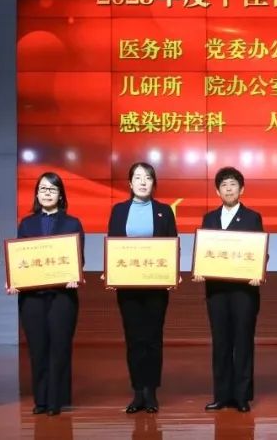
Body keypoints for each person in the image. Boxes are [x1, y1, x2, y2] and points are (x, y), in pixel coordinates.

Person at [106, 161, 179, 414]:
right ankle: (138, 391)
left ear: (154, 183)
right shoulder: (119, 211)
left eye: (148, 177)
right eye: (137, 177)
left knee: (153, 338)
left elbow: (172, 244)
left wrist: (172, 272)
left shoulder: (164, 211)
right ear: (130, 183)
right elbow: (113, 244)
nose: (143, 182)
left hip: (156, 286)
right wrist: (110, 271)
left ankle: (151, 391)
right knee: (134, 338)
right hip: (128, 286)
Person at [10, 172, 84, 416]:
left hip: (63, 296)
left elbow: (78, 258)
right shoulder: (26, 224)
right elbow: (19, 260)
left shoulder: (72, 223)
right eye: (42, 189)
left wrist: (74, 274)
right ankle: (40, 400)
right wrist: (16, 280)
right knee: (38, 348)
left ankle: (56, 400)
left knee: (59, 347)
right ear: (36, 194)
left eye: (52, 189)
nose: (47, 193)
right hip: (32, 297)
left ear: (60, 194)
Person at [196, 166, 265, 412]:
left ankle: (242, 396)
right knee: (221, 342)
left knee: (243, 341)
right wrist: (200, 268)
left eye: (233, 184)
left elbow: (259, 250)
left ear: (241, 189)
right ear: (217, 191)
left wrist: (258, 272)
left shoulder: (252, 217)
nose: (228, 189)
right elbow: (204, 251)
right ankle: (222, 395)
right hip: (216, 291)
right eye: (223, 185)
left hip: (244, 291)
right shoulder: (210, 218)